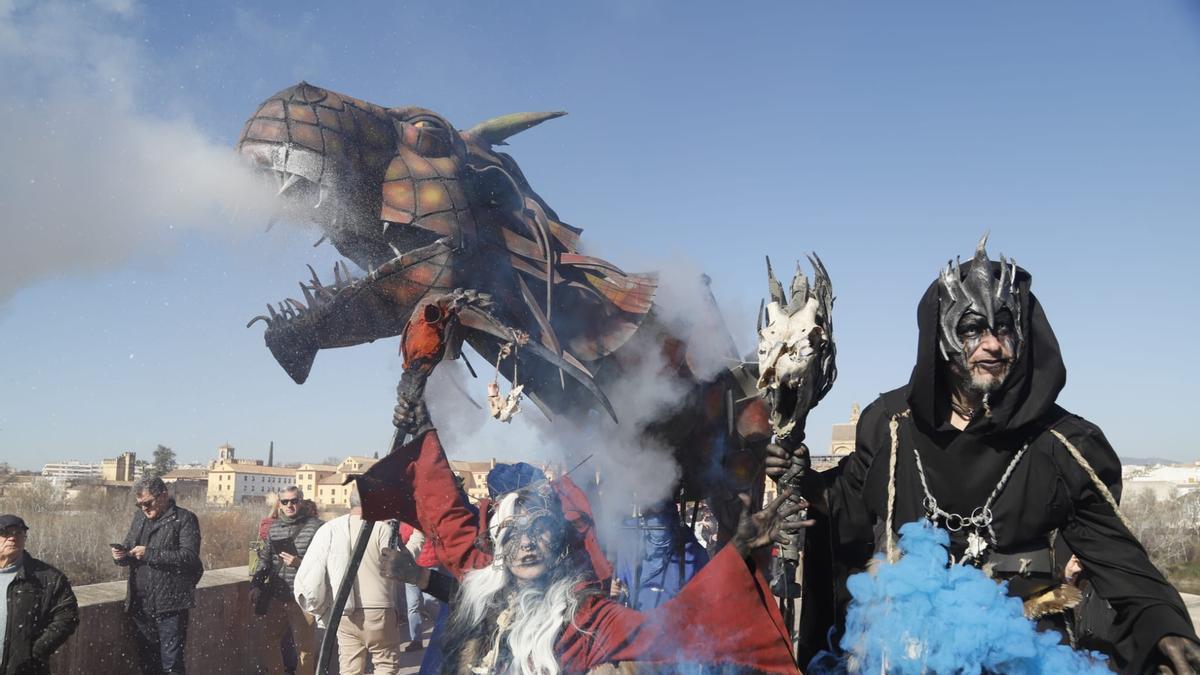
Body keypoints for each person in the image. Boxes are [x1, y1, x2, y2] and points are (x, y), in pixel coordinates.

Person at [777, 236, 1200, 673]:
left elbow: (1121, 561)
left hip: (1023, 649)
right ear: (943, 337)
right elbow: (850, 507)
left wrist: (1165, 628)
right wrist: (804, 480)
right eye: (972, 329)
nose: (992, 344)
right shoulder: (891, 424)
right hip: (911, 651)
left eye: (1003, 327)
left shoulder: (1065, 442)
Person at [354, 364, 808, 674]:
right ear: (498, 547)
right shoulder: (483, 590)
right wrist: (419, 421)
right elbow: (443, 505)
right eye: (514, 535)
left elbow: (674, 628)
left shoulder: (587, 618)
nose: (527, 543)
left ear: (560, 543)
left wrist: (742, 551)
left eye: (539, 532)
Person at [293, 487, 402, 675]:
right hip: (379, 608)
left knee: (350, 669)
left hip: (343, 609)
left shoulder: (330, 528)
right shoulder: (382, 529)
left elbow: (313, 568)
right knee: (385, 665)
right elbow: (396, 567)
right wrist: (417, 539)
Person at [112, 477, 203, 675]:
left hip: (171, 605)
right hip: (141, 605)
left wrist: (150, 553)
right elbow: (130, 547)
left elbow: (189, 556)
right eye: (139, 504)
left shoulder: (185, 519)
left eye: (148, 503)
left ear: (164, 495)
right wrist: (121, 556)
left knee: (171, 665)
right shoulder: (139, 518)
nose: (144, 508)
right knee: (148, 665)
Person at [253, 486, 322, 675]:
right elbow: (265, 560)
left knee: (305, 649)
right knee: (269, 640)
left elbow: (324, 564)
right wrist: (256, 584)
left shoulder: (317, 527)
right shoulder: (274, 528)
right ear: (280, 504)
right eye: (285, 502)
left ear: (301, 501)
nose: (289, 505)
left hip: (303, 598)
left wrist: (299, 563)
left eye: (294, 501)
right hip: (278, 595)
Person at [0, 514, 79, 675]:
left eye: (18, 533)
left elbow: (67, 617)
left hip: (25, 669)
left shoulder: (47, 577)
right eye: (5, 533)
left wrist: (34, 652)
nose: (13, 538)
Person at [613, 500, 709, 610]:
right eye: (651, 513)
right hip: (635, 619)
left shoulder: (692, 552)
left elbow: (705, 597)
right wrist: (612, 590)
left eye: (663, 511)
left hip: (677, 621)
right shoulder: (629, 539)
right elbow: (614, 584)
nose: (658, 520)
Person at [397, 522, 438, 652]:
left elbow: (402, 540)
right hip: (420, 566)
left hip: (421, 566)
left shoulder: (407, 521)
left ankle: (424, 638)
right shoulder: (430, 518)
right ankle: (421, 639)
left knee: (420, 604)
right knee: (424, 604)